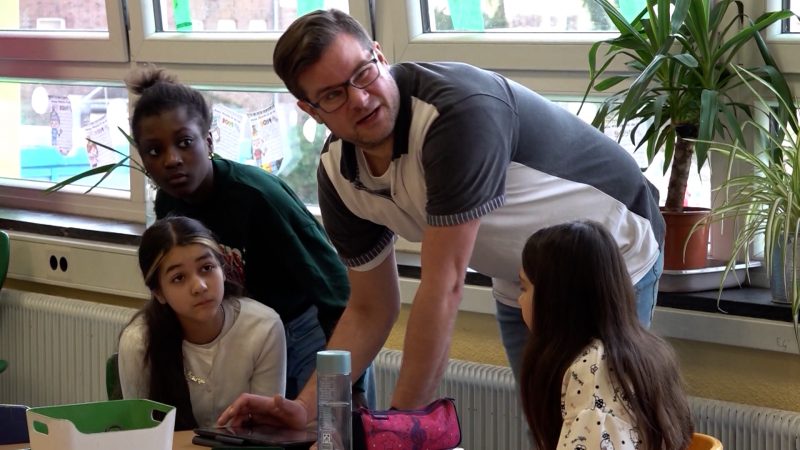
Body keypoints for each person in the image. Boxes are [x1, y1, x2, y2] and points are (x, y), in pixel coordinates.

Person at [217, 8, 665, 427]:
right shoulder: (338, 175)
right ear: (310, 111)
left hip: (612, 249)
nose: (360, 98)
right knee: (550, 428)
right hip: (523, 278)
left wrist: (403, 427)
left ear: (380, 54)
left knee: (600, 424)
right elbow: (371, 308)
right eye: (334, 95)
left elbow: (445, 285)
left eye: (363, 73)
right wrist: (304, 408)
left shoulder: (454, 115)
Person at [125, 66, 374, 407]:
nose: (172, 160)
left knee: (330, 436)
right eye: (154, 151)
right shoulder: (169, 203)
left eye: (185, 143)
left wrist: (351, 384)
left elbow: (335, 290)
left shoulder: (258, 197)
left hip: (311, 333)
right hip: (254, 334)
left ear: (208, 141)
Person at [518, 221, 692, 450]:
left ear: (556, 299)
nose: (518, 300)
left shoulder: (592, 373)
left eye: (524, 288)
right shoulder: (645, 350)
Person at [118, 216, 287, 430]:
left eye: (207, 268)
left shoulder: (264, 327)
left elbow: (266, 430)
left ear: (223, 270)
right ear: (159, 293)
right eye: (179, 278)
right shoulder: (138, 342)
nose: (199, 286)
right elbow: (142, 436)